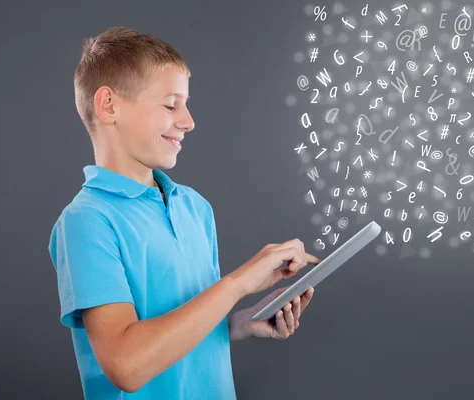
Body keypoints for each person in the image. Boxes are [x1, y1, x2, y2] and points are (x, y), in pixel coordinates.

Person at [48, 26, 321, 400]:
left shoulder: (194, 207)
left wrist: (240, 323)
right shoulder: (87, 221)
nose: (188, 120)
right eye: (170, 104)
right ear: (109, 105)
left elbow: (180, 322)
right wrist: (238, 283)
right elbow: (127, 365)